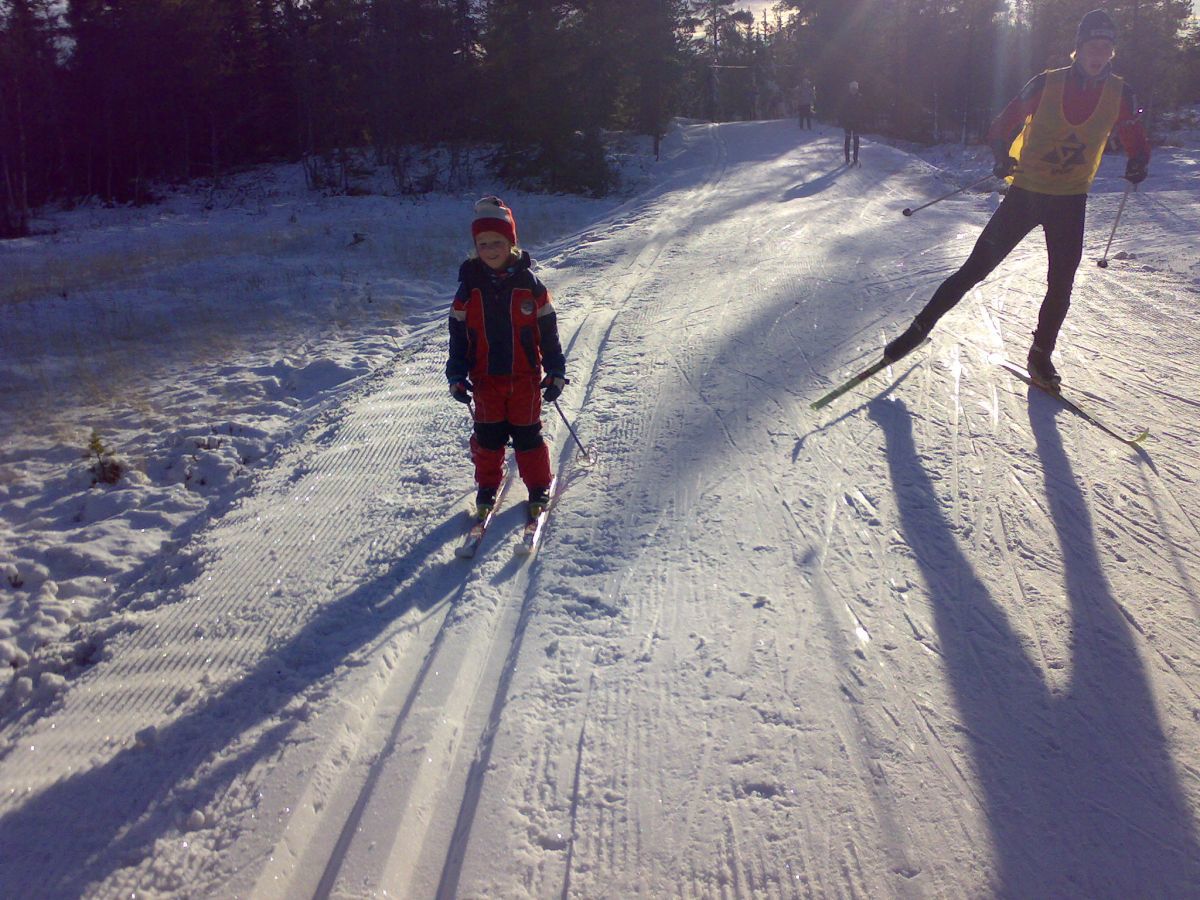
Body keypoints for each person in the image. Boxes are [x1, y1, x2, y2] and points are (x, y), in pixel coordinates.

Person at [883, 9, 1150, 387]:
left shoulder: (1122, 93)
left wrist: (1139, 159)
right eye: (1093, 45)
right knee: (975, 269)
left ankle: (1040, 358)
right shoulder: (1045, 84)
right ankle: (918, 328)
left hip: (1070, 201)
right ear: (1078, 48)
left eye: (1106, 48)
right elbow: (1002, 124)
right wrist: (1000, 153)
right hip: (1026, 194)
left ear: (1112, 54)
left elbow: (1133, 132)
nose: (1099, 54)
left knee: (1061, 284)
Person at [447, 197, 567, 518]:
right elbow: (458, 337)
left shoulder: (531, 287)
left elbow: (549, 333)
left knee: (527, 435)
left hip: (524, 378)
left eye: (497, 242)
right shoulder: (468, 289)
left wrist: (555, 369)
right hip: (484, 378)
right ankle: (487, 485)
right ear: (475, 246)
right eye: (483, 243)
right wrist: (456, 374)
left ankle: (538, 484)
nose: (490, 249)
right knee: (487, 438)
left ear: (511, 243)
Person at [839, 81, 864, 165]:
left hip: (857, 123)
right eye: (852, 89)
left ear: (857, 89)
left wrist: (861, 120)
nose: (854, 91)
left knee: (856, 141)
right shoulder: (846, 98)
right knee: (847, 140)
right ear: (850, 89)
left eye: (855, 89)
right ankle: (847, 158)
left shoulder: (860, 98)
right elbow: (842, 110)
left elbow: (863, 110)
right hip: (848, 123)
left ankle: (855, 158)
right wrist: (843, 119)